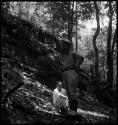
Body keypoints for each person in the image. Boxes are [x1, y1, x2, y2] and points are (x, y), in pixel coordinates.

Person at [59, 39, 84, 114]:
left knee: (72, 91)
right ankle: (67, 110)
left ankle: (74, 111)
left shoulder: (72, 53)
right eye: (63, 46)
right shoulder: (63, 55)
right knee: (65, 92)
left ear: (68, 47)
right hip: (65, 73)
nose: (63, 47)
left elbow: (82, 58)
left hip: (71, 72)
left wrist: (77, 65)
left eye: (64, 46)